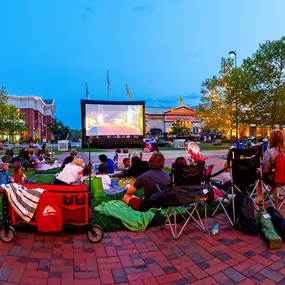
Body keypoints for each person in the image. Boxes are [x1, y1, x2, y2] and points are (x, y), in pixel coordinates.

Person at [256, 130, 285, 203]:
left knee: (258, 175)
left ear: (271, 139)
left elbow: (265, 170)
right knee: (276, 172)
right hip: (283, 179)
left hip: (273, 179)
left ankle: (259, 197)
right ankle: (275, 195)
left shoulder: (269, 152)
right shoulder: (284, 151)